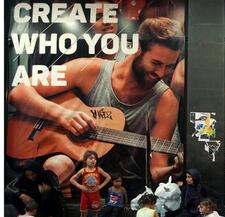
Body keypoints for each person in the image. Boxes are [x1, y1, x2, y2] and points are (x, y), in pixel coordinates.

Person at [9, 17, 185, 198]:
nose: (161, 73)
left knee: (61, 165)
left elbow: (156, 172)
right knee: (59, 164)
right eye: (156, 63)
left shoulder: (166, 101)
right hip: (53, 156)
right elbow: (18, 93)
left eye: (170, 67)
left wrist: (175, 168)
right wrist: (62, 115)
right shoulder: (90, 70)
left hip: (113, 186)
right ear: (139, 48)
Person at [70, 150, 112, 217]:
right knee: (83, 214)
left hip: (95, 195)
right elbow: (72, 180)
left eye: (95, 158)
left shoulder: (98, 170)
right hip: (85, 195)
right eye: (91, 158)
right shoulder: (83, 170)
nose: (93, 160)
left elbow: (108, 177)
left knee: (95, 213)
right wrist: (80, 186)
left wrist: (100, 186)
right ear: (85, 160)